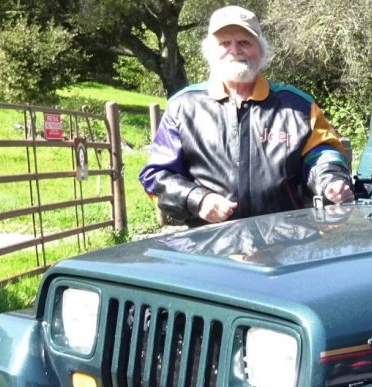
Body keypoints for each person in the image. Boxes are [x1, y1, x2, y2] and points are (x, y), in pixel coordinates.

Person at [139, 5, 354, 225]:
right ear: (210, 52)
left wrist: (331, 180)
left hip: (287, 245)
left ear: (261, 50)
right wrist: (198, 200)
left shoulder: (297, 105)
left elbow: (322, 154)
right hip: (210, 246)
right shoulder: (183, 106)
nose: (234, 50)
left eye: (244, 42)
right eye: (224, 43)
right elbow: (156, 176)